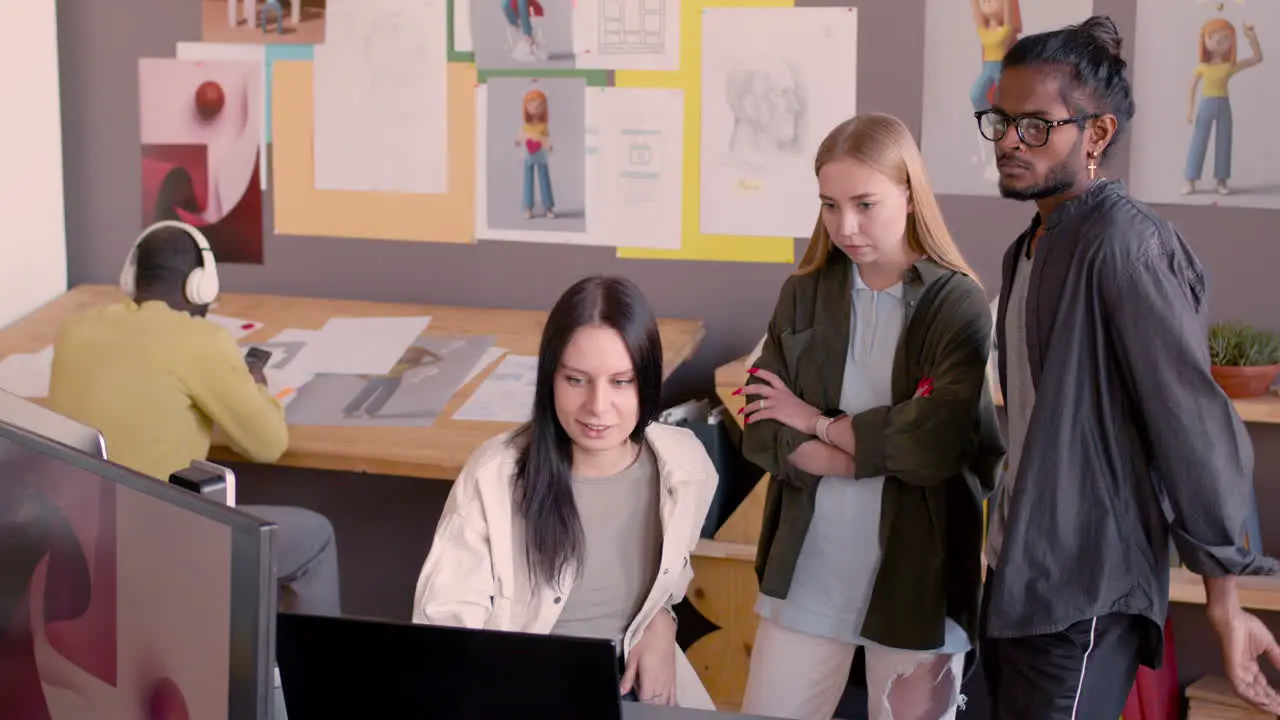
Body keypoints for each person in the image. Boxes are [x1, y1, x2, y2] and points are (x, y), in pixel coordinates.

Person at [977, 15, 1280, 718]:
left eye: (1034, 125)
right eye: (999, 122)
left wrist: (1226, 605)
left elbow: (1193, 430)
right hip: (1017, 579)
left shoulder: (1127, 248)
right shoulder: (1027, 248)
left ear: (1098, 133)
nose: (1008, 143)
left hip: (1085, 595)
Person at [737, 113, 1006, 720]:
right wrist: (861, 450)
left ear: (909, 195)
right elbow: (760, 421)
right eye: (830, 206)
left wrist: (816, 422)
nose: (846, 227)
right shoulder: (803, 293)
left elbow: (934, 445)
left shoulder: (956, 304)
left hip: (918, 580)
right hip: (809, 571)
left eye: (865, 204)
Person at [412, 276, 717, 709]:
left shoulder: (686, 466)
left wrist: (660, 623)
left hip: (638, 687)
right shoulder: (495, 475)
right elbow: (446, 628)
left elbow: (672, 578)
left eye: (620, 382)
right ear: (550, 378)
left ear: (645, 381)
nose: (596, 406)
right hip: (520, 693)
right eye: (576, 380)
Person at [48, 220, 341, 618]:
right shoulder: (201, 342)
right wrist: (254, 385)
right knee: (315, 538)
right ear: (200, 286)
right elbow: (268, 445)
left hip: (75, 542)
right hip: (159, 545)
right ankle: (311, 678)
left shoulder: (74, 330)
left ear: (131, 278)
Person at [1183, 18, 1263, 196]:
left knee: (1224, 141)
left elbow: (1257, 58)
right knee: (1199, 141)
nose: (1219, 41)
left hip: (1224, 104)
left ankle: (1221, 180)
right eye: (1213, 37)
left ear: (1231, 42)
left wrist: (1251, 36)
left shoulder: (1229, 66)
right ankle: (1190, 179)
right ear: (1204, 39)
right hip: (1206, 104)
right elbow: (1192, 86)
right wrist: (1190, 109)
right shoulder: (1203, 67)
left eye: (1225, 38)